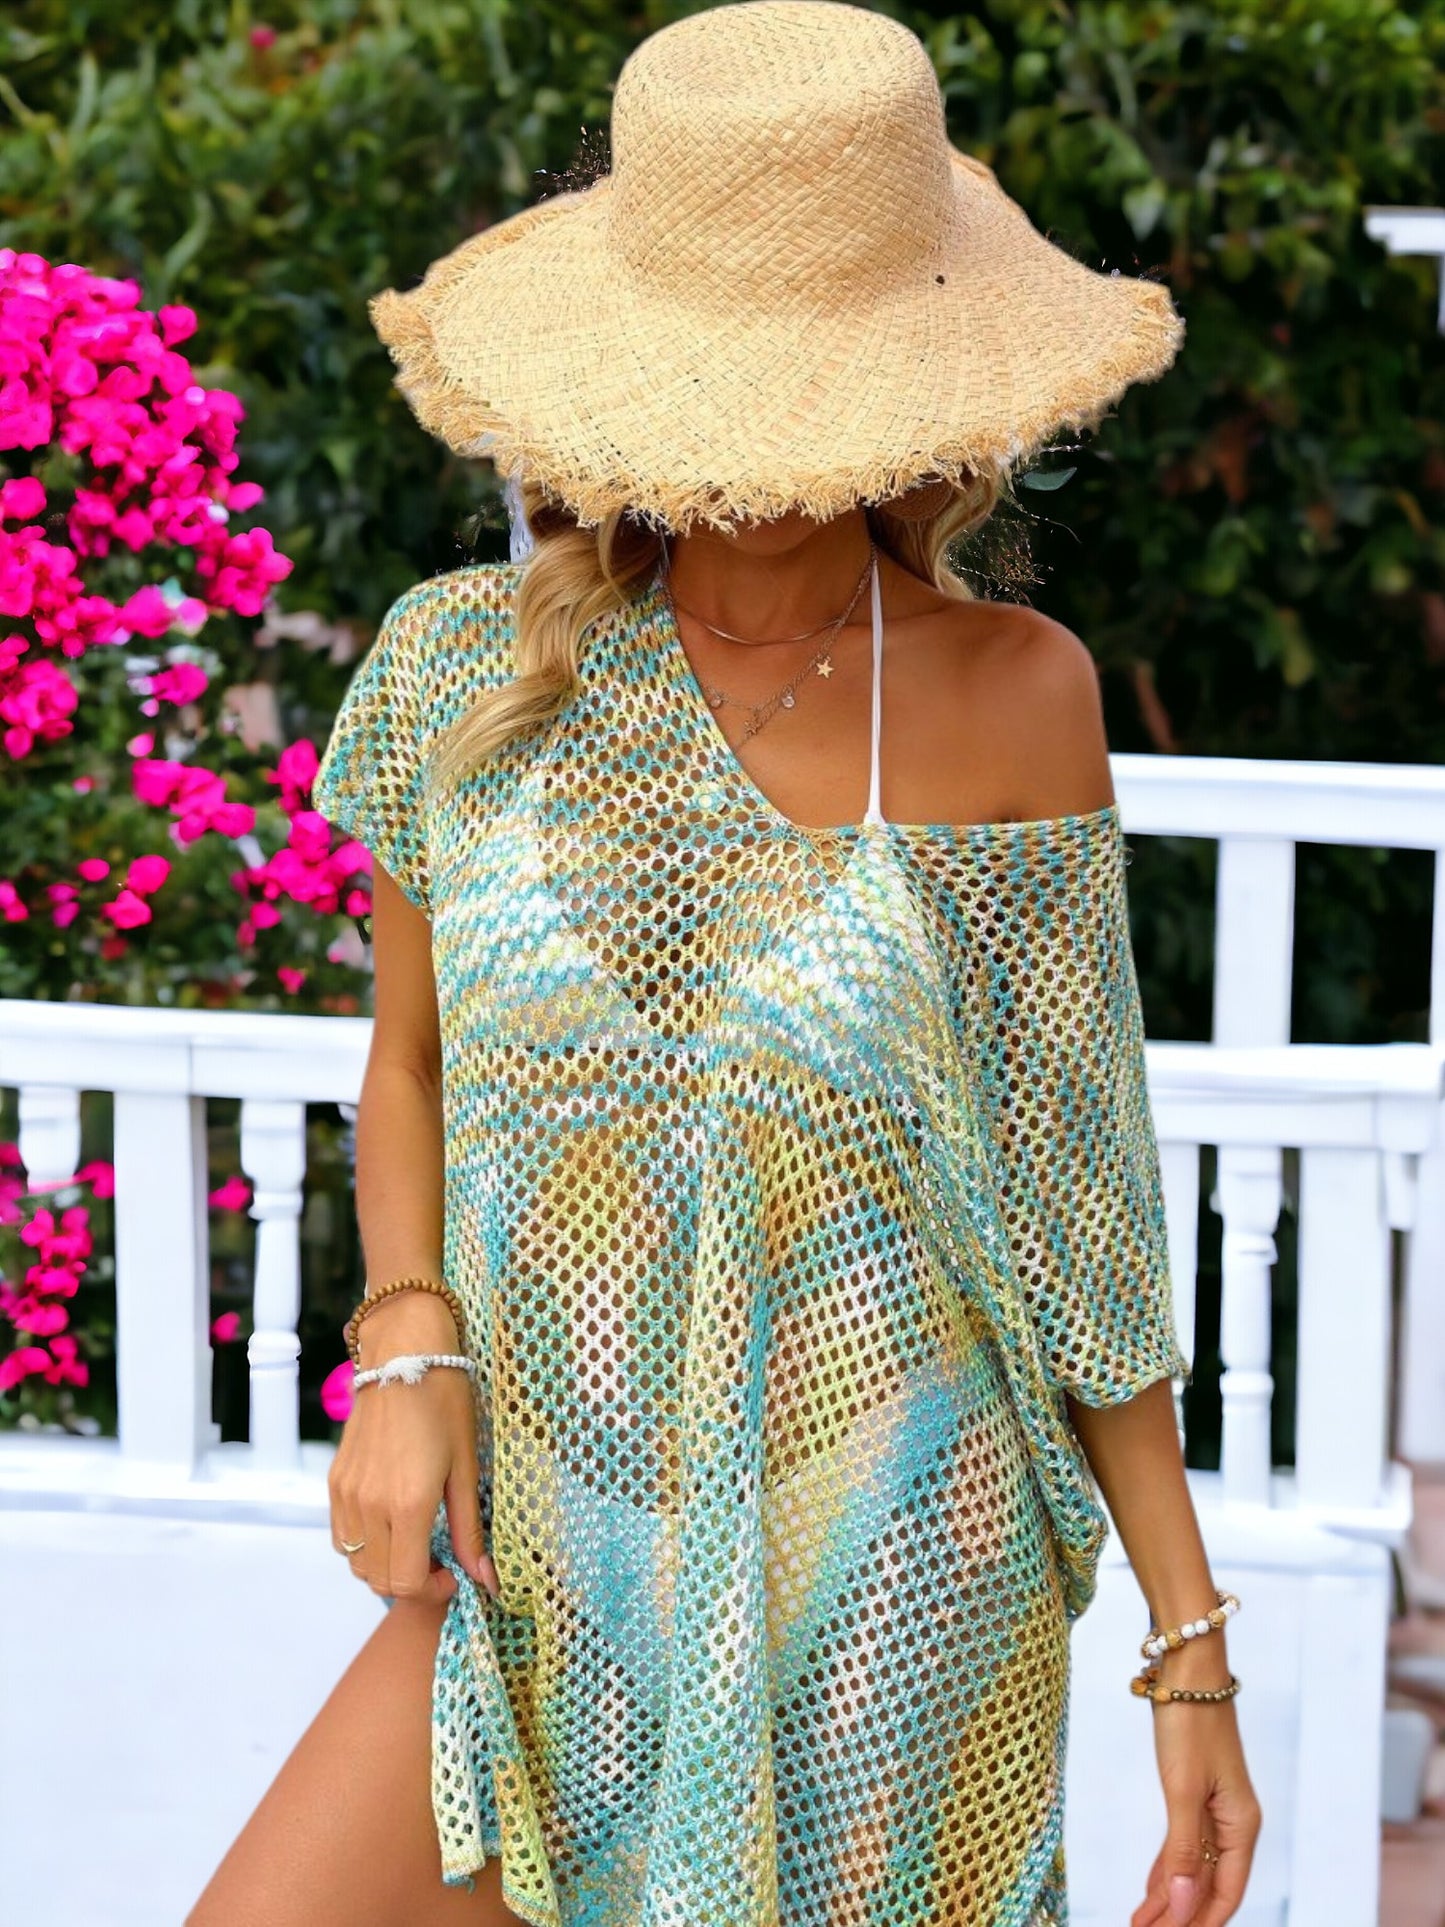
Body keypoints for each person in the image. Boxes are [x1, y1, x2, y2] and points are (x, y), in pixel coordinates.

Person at [189, 4, 1261, 1924]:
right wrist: (404, 1343)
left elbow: (1073, 1206)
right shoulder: (466, 666)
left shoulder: (1015, 695)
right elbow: (410, 1068)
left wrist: (1188, 1642)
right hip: (544, 1547)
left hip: (897, 1585)